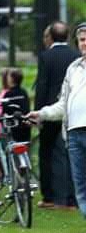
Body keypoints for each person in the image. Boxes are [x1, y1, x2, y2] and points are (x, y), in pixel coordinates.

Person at [30, 21, 86, 219]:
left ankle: (52, 197)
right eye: (81, 40)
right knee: (76, 175)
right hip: (70, 125)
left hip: (76, 124)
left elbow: (43, 85)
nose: (83, 44)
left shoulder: (48, 57)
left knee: (49, 156)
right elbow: (64, 100)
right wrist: (43, 113)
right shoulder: (73, 64)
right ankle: (77, 209)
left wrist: (40, 111)